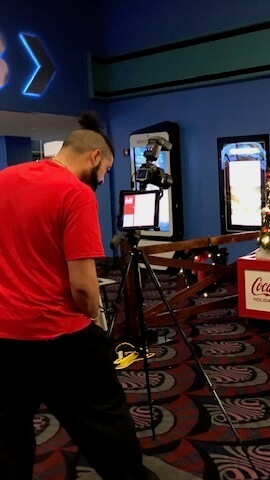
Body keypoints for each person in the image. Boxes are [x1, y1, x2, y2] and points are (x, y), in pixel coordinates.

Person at [0, 113, 146, 479]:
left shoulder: (4, 179)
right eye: (106, 171)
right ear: (94, 156)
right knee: (107, 428)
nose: (101, 180)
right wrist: (97, 320)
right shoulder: (75, 192)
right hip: (60, 335)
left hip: (4, 334)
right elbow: (83, 285)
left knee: (6, 434)